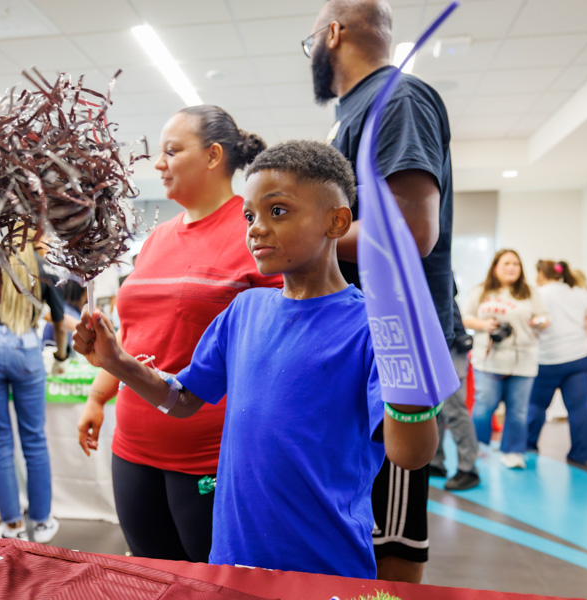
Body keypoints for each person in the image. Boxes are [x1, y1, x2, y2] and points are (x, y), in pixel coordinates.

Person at [73, 140, 438, 578]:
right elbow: (184, 399)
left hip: (322, 569)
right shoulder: (245, 310)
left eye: (277, 211)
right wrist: (116, 362)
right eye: (250, 216)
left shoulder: (370, 327)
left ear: (337, 221)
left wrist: (408, 369)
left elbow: (411, 454)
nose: (256, 229)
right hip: (232, 559)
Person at [76, 105, 282, 563]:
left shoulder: (253, 233)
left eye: (172, 150)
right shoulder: (157, 238)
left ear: (212, 156)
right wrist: (97, 395)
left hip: (209, 452)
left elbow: (274, 348)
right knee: (151, 575)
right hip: (132, 443)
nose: (158, 163)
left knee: (211, 584)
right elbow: (132, 333)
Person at [306, 0, 453, 583]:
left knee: (388, 532)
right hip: (350, 338)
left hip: (391, 348)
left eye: (311, 41)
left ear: (333, 33)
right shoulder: (349, 116)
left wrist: (303, 236)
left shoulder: (398, 98)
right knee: (351, 512)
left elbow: (411, 232)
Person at [0, 237, 64, 543]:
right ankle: (43, 523)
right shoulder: (42, 267)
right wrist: (59, 356)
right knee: (34, 438)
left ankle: (12, 526)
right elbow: (58, 320)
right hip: (26, 346)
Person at [462, 249, 549, 470]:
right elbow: (464, 317)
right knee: (483, 406)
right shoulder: (481, 291)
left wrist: (539, 321)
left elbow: (544, 317)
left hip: (523, 360)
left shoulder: (529, 292)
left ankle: (513, 452)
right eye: (506, 263)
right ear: (495, 267)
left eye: (516, 264)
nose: (511, 268)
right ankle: (478, 446)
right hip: (488, 360)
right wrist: (483, 325)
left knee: (518, 411)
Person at [527, 260, 587, 466]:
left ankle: (529, 447)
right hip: (578, 359)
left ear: (541, 274)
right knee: (580, 408)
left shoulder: (539, 294)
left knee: (536, 405)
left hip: (548, 360)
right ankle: (581, 455)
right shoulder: (580, 293)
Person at [430, 293, 481, 491]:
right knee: (438, 408)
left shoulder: (433, 264)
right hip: (440, 343)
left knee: (454, 409)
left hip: (449, 345)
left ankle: (468, 469)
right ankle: (435, 461)